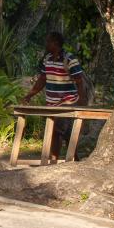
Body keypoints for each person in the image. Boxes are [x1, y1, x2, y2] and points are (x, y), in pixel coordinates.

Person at [22, 31, 87, 162]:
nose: (46, 44)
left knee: (58, 131)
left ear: (55, 43)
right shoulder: (47, 59)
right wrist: (30, 94)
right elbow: (42, 79)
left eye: (48, 41)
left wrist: (81, 99)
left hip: (67, 102)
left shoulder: (69, 59)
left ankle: (54, 159)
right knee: (63, 133)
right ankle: (74, 159)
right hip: (51, 103)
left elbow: (79, 80)